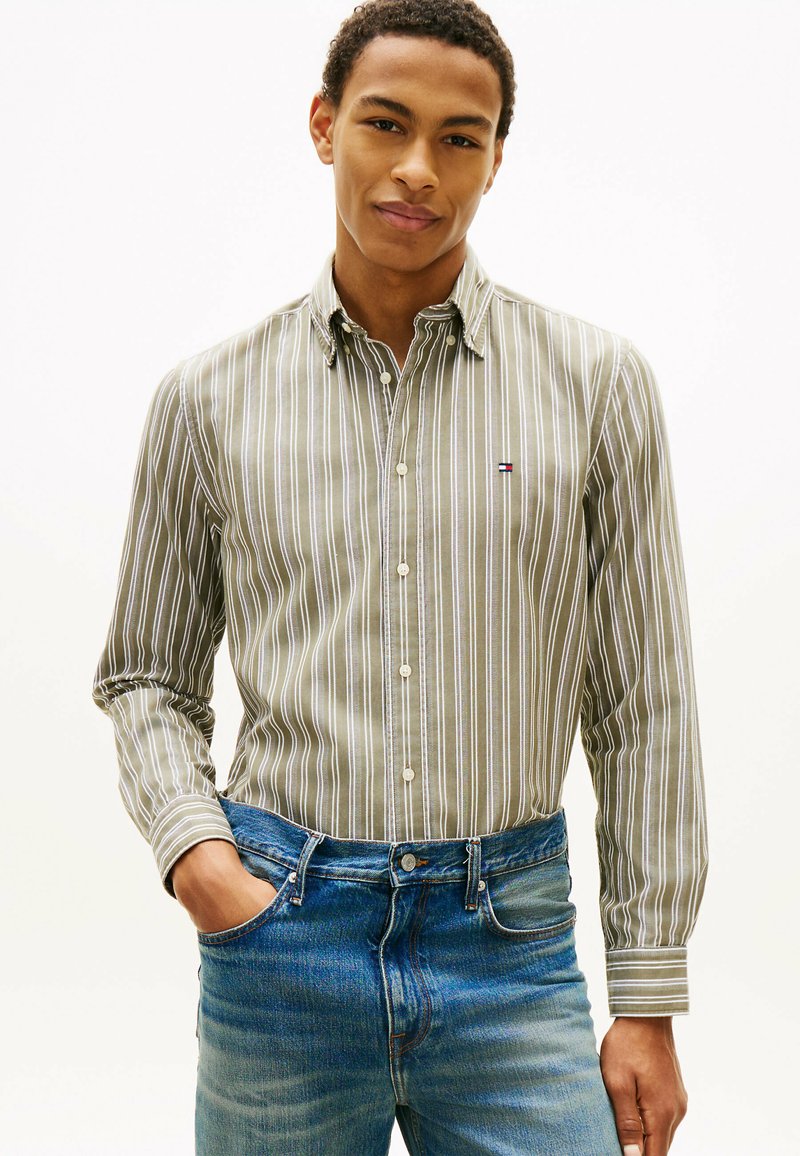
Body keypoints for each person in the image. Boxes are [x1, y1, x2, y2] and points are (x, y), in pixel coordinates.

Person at [91, 1, 709, 1153]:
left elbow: (640, 706)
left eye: (458, 137)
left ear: (494, 158)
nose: (418, 167)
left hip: (510, 950)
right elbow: (145, 678)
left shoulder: (596, 385)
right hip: (280, 937)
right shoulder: (207, 400)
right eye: (385, 122)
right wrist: (202, 863)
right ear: (324, 126)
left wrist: (646, 991)